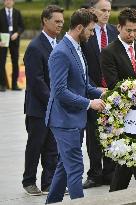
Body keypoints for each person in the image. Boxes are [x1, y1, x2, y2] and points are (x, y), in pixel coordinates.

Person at [45, 9, 106, 204]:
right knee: (76, 168)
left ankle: (51, 202)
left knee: (65, 166)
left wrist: (103, 92)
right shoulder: (61, 53)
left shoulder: (77, 47)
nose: (91, 34)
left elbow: (84, 85)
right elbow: (60, 92)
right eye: (90, 30)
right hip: (63, 120)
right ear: (79, 27)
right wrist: (90, 103)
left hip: (74, 118)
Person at [100, 8, 136, 192]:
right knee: (133, 156)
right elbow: (114, 84)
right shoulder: (109, 52)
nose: (132, 34)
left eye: (135, 30)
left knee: (132, 157)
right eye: (128, 30)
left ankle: (116, 195)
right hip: (123, 113)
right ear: (119, 28)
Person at [22, 5, 64, 196]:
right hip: (39, 108)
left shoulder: (59, 44)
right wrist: (55, 100)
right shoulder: (35, 47)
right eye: (56, 21)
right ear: (44, 21)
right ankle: (29, 181)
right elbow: (36, 81)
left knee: (52, 148)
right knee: (35, 146)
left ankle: (49, 183)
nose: (60, 25)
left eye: (62, 22)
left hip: (55, 108)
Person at [81, 0, 118, 189]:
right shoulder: (85, 33)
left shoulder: (113, 32)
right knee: (94, 136)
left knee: (111, 133)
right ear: (92, 11)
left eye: (109, 11)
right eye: (103, 10)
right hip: (92, 91)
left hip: (113, 92)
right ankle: (94, 174)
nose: (106, 14)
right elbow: (82, 64)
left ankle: (110, 173)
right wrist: (93, 89)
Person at [0, 0, 24, 92]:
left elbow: (22, 26)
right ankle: (2, 85)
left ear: (13, 2)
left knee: (15, 62)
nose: (8, 2)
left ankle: (14, 84)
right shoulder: (0, 13)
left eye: (10, 0)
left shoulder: (17, 13)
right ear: (4, 2)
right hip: (3, 41)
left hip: (14, 41)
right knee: (1, 62)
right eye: (6, 0)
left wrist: (17, 33)